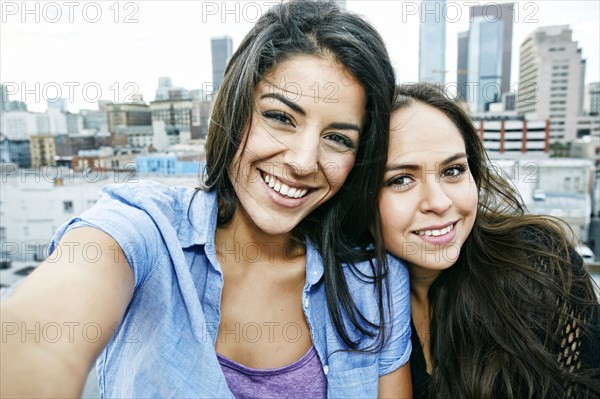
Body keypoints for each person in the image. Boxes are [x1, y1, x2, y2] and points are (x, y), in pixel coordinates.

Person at [0, 1, 412, 397]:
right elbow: (41, 336)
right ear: (236, 110)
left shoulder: (372, 281)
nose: (304, 161)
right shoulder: (148, 231)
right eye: (280, 117)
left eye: (338, 138)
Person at [378, 82, 600, 398]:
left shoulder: (541, 266)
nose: (439, 202)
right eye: (401, 179)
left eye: (453, 170)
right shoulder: (354, 299)